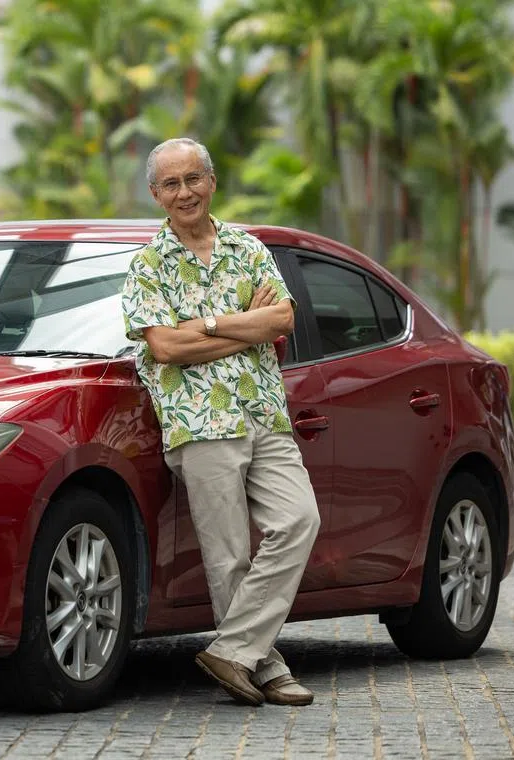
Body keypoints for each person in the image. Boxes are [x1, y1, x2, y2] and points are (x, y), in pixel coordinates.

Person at [120, 137, 321, 707]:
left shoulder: (248, 247)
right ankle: (268, 667)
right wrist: (237, 323)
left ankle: (233, 652)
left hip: (263, 411)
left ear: (211, 182)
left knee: (299, 520)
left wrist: (203, 327)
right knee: (228, 554)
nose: (185, 192)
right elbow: (164, 347)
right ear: (156, 194)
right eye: (171, 184)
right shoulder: (148, 265)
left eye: (193, 179)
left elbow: (279, 319)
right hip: (199, 424)